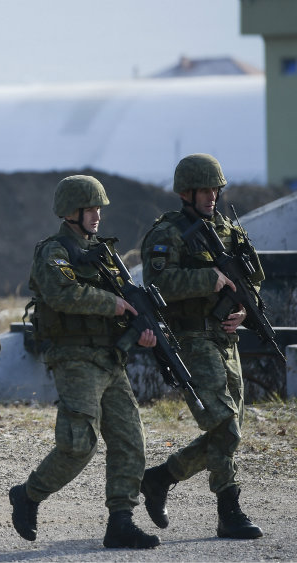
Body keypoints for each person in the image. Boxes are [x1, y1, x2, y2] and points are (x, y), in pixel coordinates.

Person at [8, 175, 160, 549]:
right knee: (79, 443)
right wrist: (113, 305)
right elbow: (61, 293)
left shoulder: (104, 254)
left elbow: (123, 301)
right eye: (91, 208)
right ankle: (28, 495)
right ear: (71, 212)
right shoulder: (55, 251)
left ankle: (120, 521)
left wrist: (140, 329)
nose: (97, 215)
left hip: (110, 357)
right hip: (75, 357)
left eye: (99, 208)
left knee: (130, 440)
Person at [138, 154, 264, 539]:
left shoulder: (227, 230)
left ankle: (160, 478)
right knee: (224, 424)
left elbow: (251, 279)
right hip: (191, 338)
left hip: (226, 338)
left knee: (232, 429)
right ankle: (229, 511)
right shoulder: (167, 233)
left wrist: (244, 309)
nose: (212, 196)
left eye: (215, 189)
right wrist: (205, 279)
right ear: (185, 192)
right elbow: (156, 284)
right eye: (204, 190)